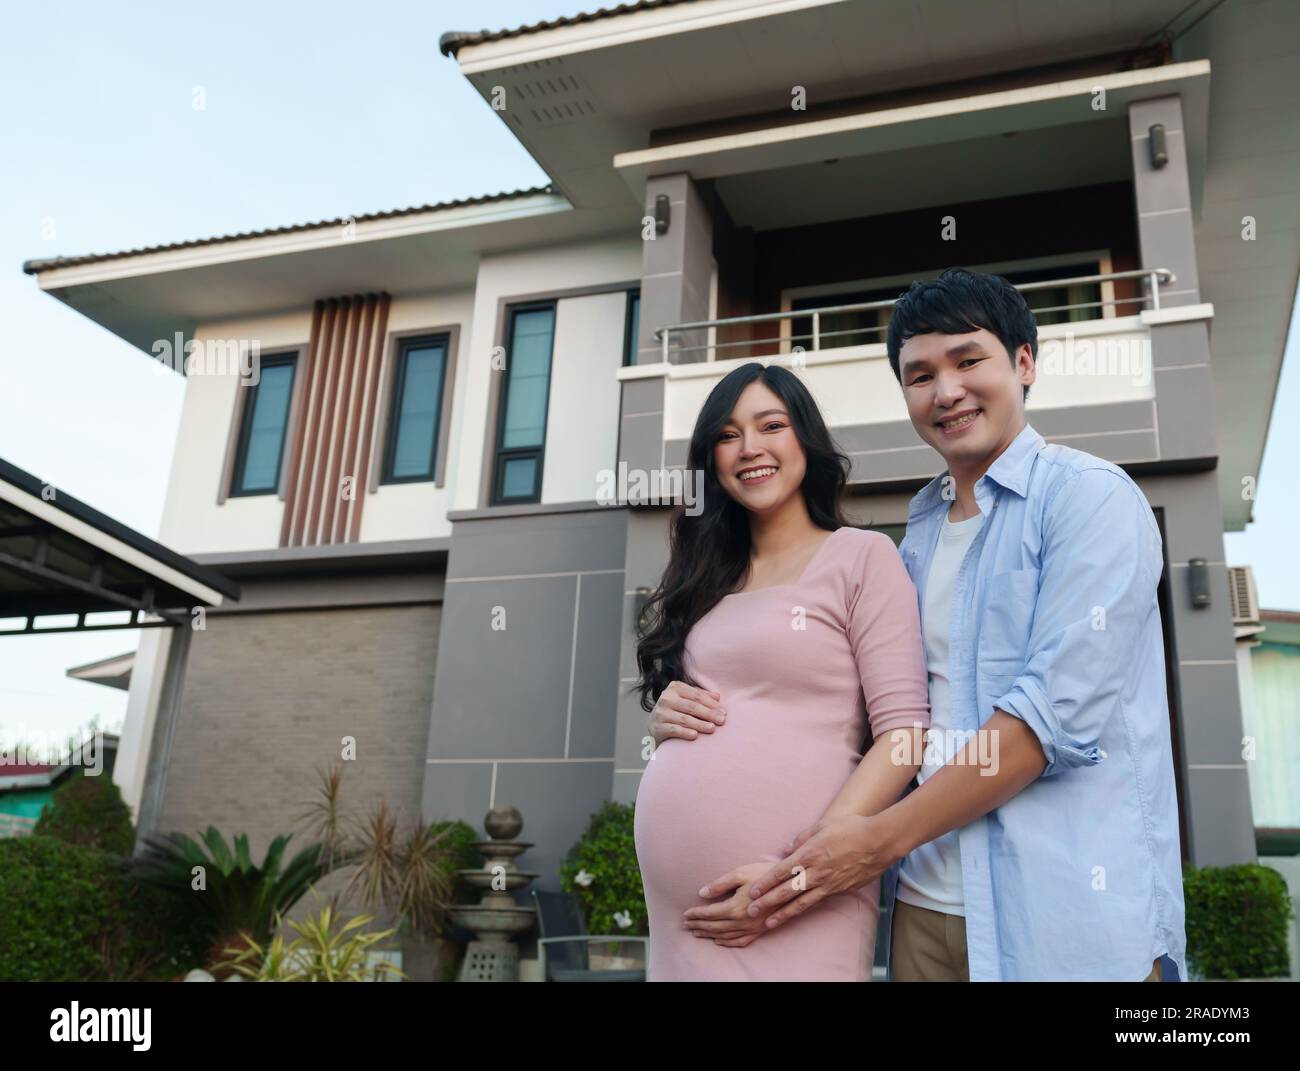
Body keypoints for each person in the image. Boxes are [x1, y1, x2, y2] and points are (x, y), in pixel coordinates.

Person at [667, 269, 1187, 982]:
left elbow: (1044, 722)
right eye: (919, 374)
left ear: (1024, 362)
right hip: (925, 910)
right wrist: (691, 713)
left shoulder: (1090, 500)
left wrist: (866, 845)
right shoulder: (914, 542)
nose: (945, 391)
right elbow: (857, 712)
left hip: (1062, 916)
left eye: (969, 360)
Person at [633, 361, 930, 980]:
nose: (750, 449)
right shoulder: (706, 579)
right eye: (727, 435)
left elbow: (904, 736)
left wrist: (794, 877)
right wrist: (665, 718)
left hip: (800, 896)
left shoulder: (862, 557)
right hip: (683, 922)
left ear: (806, 440)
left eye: (771, 425)